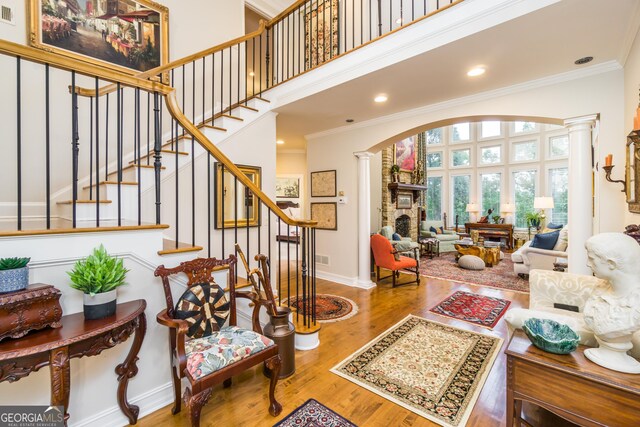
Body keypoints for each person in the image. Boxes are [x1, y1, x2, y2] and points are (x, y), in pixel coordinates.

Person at [583, 233, 640, 373]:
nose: (587, 264)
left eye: (592, 259)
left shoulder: (635, 304)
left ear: (611, 264)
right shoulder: (599, 289)